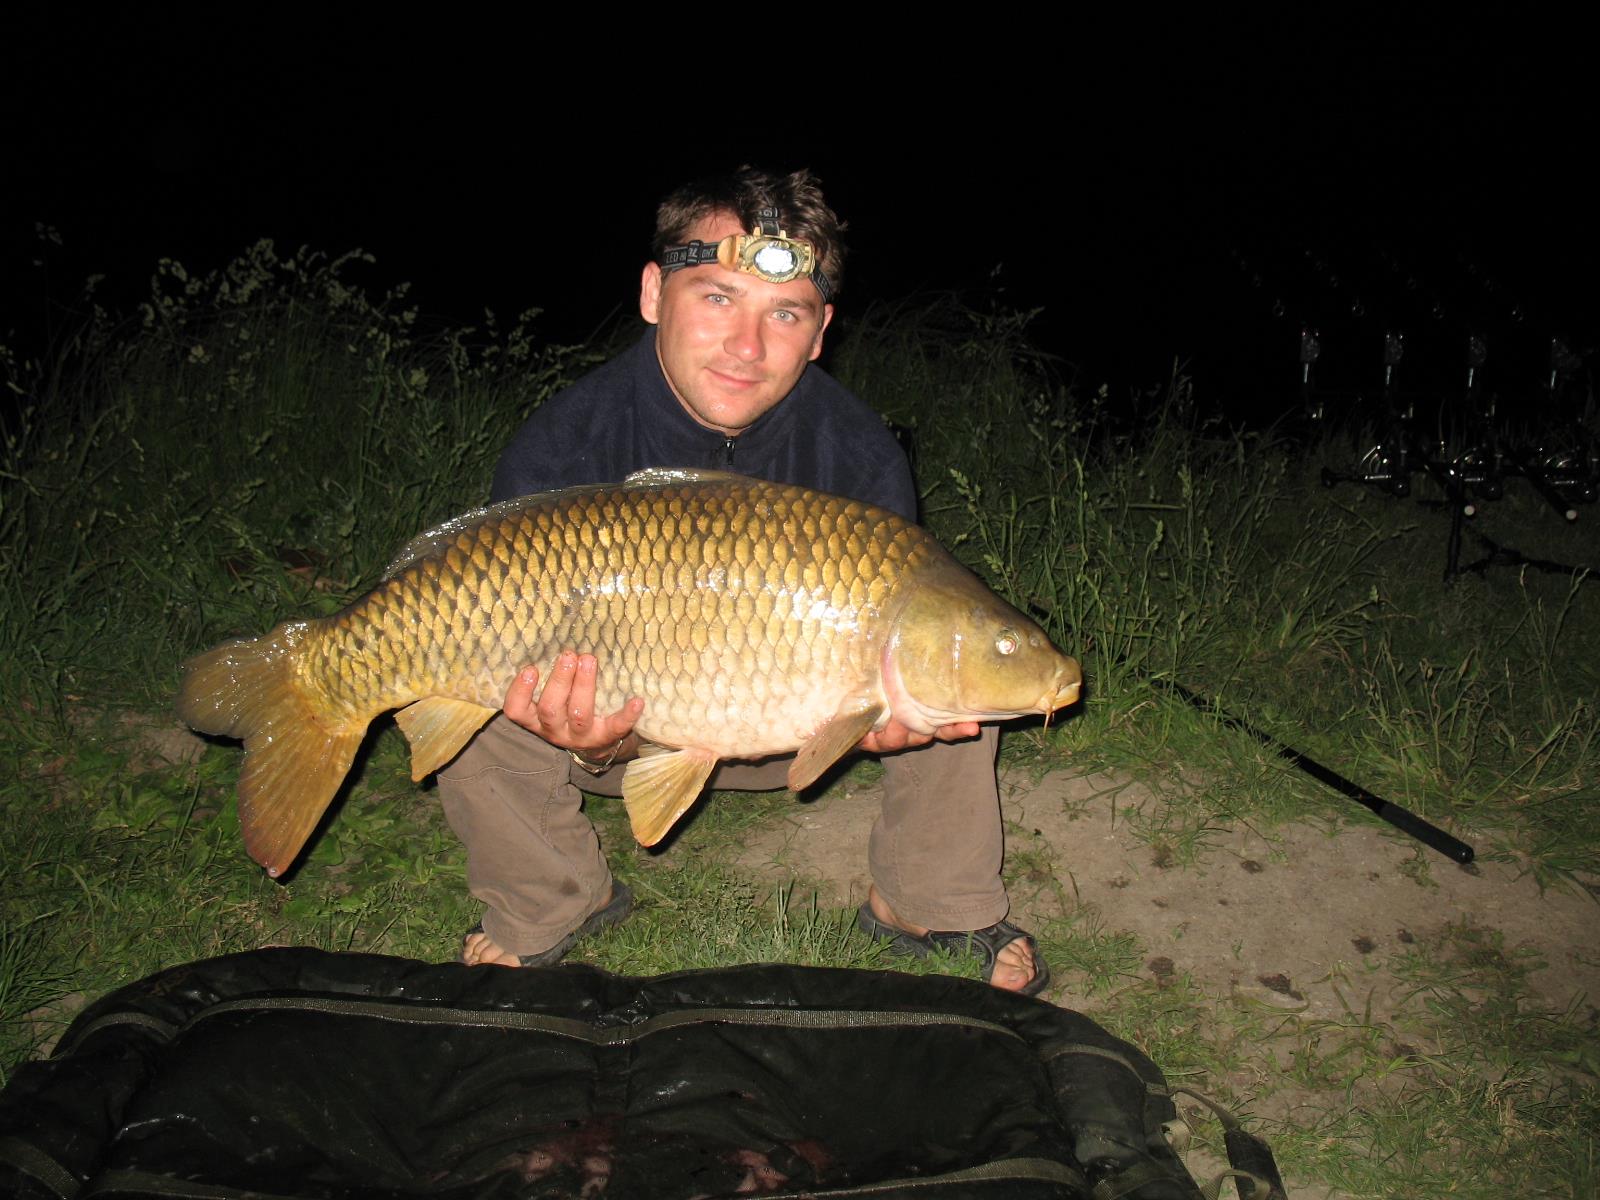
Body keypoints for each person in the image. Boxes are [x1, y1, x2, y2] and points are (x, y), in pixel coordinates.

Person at [440, 167, 1047, 995]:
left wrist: (881, 721)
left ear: (821, 330)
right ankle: (552, 902)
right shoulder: (564, 447)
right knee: (458, 681)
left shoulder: (859, 455)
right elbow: (523, 658)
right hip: (607, 728)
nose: (747, 346)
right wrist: (593, 732)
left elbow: (895, 685)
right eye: (717, 297)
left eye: (784, 313)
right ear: (655, 293)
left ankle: (927, 901)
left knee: (958, 666)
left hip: (795, 733)